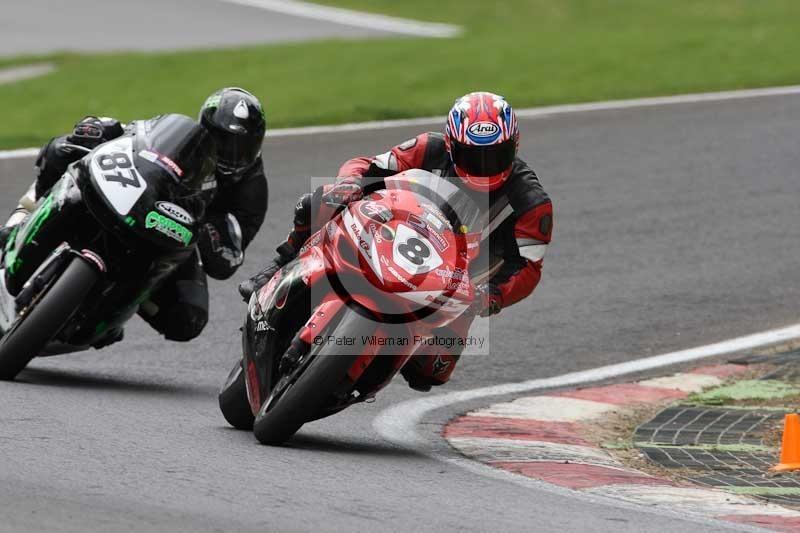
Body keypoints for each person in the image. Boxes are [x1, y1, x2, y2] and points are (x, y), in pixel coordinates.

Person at [240, 91, 553, 390]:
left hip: (456, 282)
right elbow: (367, 164)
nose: (484, 167)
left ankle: (381, 359)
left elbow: (529, 267)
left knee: (431, 371)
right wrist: (349, 184)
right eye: (472, 157)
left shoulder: (531, 202)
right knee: (317, 202)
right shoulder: (427, 148)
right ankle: (280, 263)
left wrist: (490, 296)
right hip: (396, 231)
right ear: (450, 145)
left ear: (514, 146)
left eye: (495, 156)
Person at [0, 87, 268, 343]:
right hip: (137, 199)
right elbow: (135, 135)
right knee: (61, 151)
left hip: (177, 237)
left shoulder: (252, 191)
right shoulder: (184, 138)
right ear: (205, 128)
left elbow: (229, 254)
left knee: (187, 319)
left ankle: (115, 311)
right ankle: (20, 221)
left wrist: (214, 235)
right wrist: (101, 129)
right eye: (221, 141)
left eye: (241, 146)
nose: (229, 154)